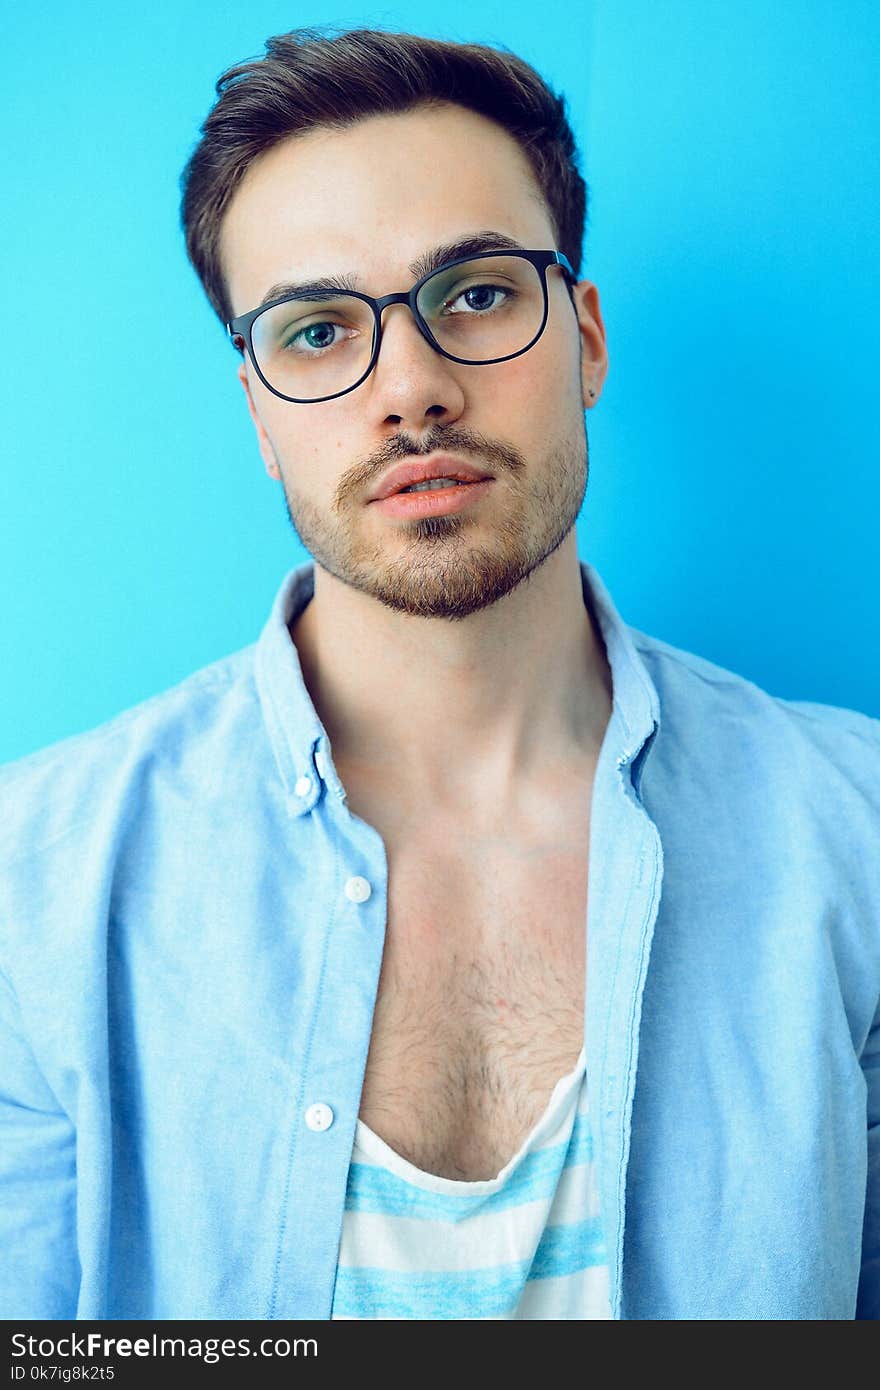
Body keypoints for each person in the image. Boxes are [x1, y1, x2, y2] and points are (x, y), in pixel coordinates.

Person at [1, 24, 877, 1324]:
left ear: (582, 337)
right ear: (257, 408)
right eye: (315, 331)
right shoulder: (37, 884)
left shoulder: (853, 834)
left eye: (474, 294)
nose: (410, 389)